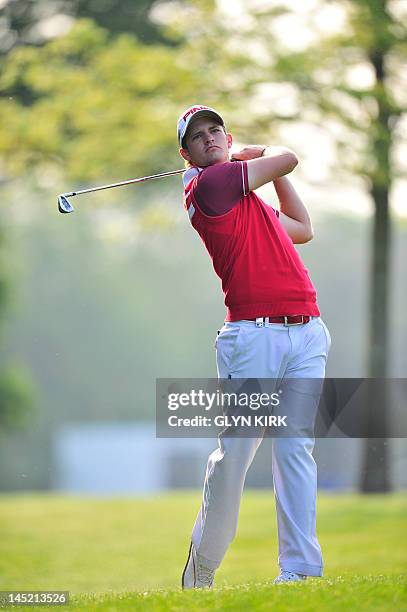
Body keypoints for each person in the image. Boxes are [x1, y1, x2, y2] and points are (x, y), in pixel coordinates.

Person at [176, 105, 331, 588]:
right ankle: (200, 570)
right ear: (187, 155)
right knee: (236, 458)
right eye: (197, 136)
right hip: (253, 337)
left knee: (295, 448)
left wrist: (256, 167)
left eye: (215, 130)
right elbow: (288, 158)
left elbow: (301, 228)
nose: (209, 137)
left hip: (306, 331)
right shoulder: (210, 187)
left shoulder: (246, 200)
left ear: (226, 135)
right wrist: (257, 153)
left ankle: (300, 571)